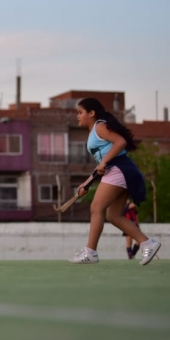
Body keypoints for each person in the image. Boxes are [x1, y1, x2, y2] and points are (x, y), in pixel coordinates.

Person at [68, 98, 160, 265]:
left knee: (96, 208)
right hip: (119, 170)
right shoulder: (94, 132)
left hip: (120, 169)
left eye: (80, 112)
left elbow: (120, 142)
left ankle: (90, 252)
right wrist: (86, 183)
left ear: (91, 113)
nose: (78, 116)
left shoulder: (100, 126)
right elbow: (103, 162)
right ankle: (148, 243)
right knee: (113, 215)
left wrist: (103, 163)